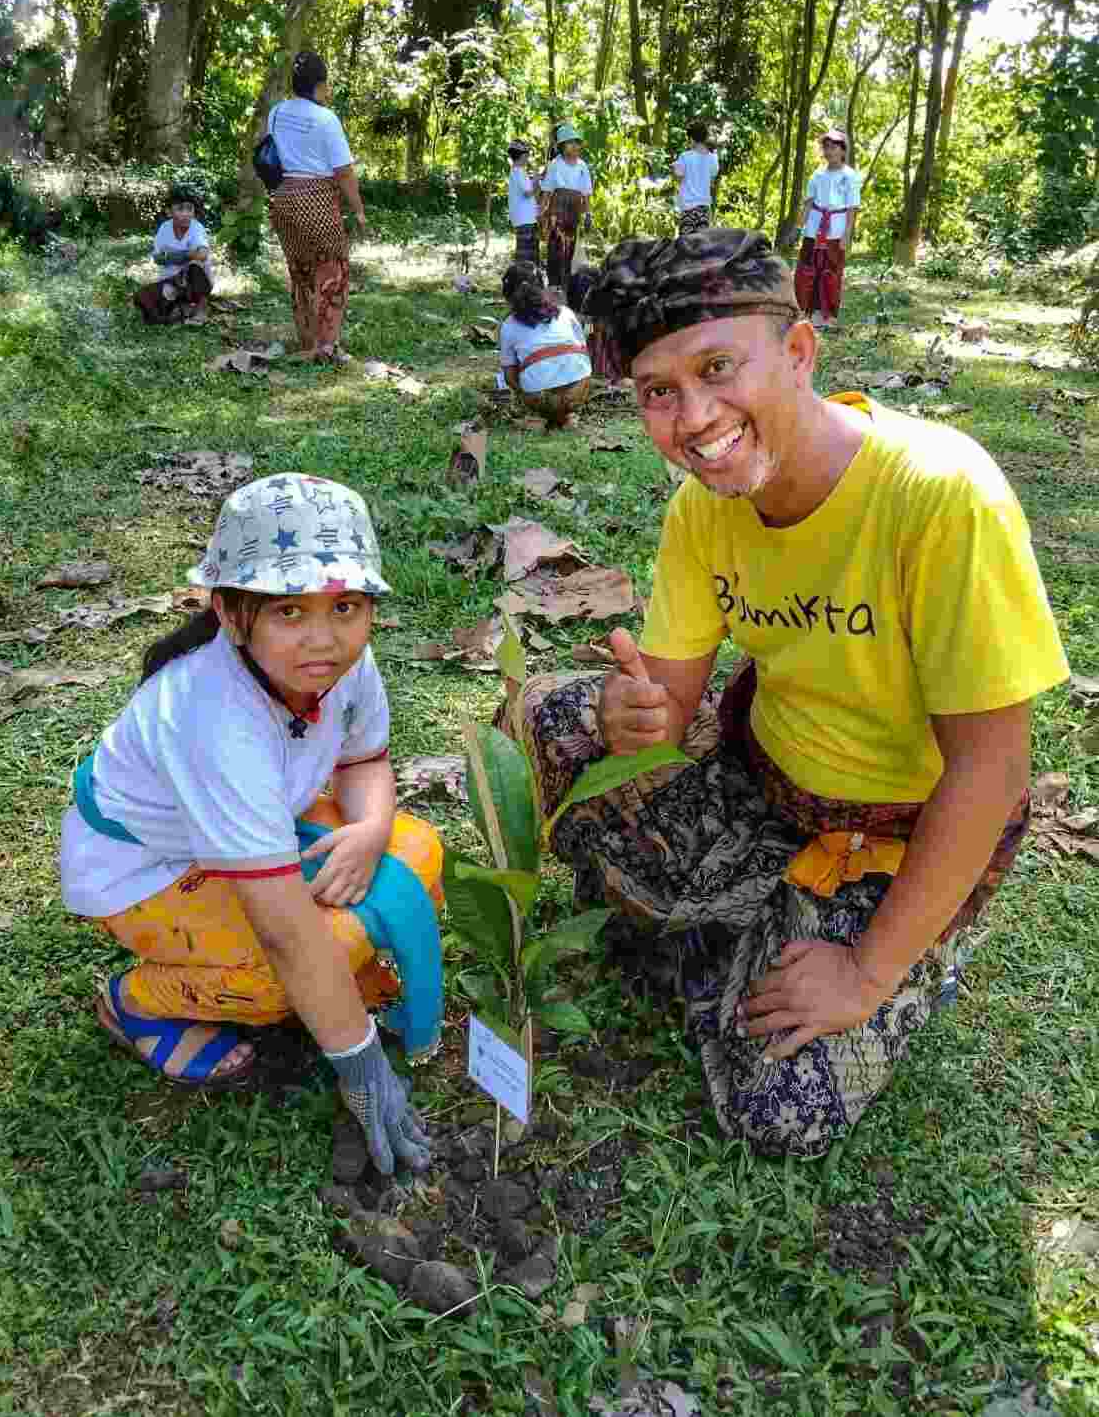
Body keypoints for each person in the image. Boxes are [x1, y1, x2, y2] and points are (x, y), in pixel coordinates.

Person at [497, 227, 1069, 1160]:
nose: (694, 417)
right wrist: (629, 714)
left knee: (782, 1105)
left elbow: (995, 769)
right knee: (554, 721)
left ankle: (904, 946)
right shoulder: (702, 509)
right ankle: (738, 927)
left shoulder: (941, 496)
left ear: (799, 353)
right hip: (760, 789)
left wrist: (865, 969)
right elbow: (665, 713)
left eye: (719, 367)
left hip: (890, 834)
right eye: (658, 392)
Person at [60, 474, 444, 1176]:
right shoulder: (213, 717)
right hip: (152, 870)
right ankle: (137, 1001)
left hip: (259, 829)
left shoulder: (340, 668)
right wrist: (361, 1067)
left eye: (347, 606)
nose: (324, 638)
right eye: (289, 612)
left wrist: (367, 829)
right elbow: (284, 929)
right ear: (232, 615)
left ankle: (332, 984)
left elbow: (366, 761)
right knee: (278, 973)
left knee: (412, 847)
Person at [266, 51, 368, 364]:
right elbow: (344, 172)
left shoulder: (277, 112)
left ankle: (307, 339)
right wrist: (359, 209)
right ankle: (326, 347)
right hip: (316, 198)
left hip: (281, 197)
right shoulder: (325, 118)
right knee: (332, 271)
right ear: (320, 85)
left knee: (300, 270)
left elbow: (269, 152)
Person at [498, 260, 591, 427]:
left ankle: (543, 417)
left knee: (516, 370)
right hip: (578, 391)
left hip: (540, 398)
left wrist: (525, 392)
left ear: (508, 295)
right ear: (543, 288)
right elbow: (582, 350)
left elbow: (509, 376)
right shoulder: (566, 312)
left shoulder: (509, 325)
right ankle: (566, 416)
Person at [796, 128, 860, 329]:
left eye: (833, 147)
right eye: (826, 147)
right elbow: (808, 202)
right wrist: (801, 225)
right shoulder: (818, 174)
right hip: (814, 227)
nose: (829, 151)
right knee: (808, 269)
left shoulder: (850, 176)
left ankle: (827, 315)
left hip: (836, 228)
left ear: (842, 150)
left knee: (831, 271)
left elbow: (852, 207)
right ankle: (804, 310)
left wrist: (846, 234)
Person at [133, 186, 213, 327]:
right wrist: (187, 254)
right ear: (169, 212)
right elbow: (158, 259)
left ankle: (201, 310)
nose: (186, 214)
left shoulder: (196, 228)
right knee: (141, 296)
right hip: (171, 281)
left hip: (192, 281)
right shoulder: (164, 228)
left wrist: (173, 256)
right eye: (180, 209)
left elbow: (202, 254)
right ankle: (180, 311)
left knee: (195, 266)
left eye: (189, 209)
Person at [540, 123, 593, 293]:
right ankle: (554, 284)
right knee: (555, 246)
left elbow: (586, 193)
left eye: (577, 142)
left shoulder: (582, 166)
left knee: (570, 246)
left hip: (574, 210)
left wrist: (588, 214)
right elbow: (547, 191)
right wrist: (541, 213)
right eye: (570, 143)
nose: (575, 146)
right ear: (562, 147)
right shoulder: (555, 164)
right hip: (557, 209)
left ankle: (566, 284)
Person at [672, 121, 720, 234]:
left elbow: (678, 176)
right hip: (704, 208)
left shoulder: (685, 157)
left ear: (691, 139)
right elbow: (712, 178)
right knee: (702, 244)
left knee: (686, 243)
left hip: (688, 208)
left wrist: (673, 169)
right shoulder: (713, 159)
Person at [507, 140, 541, 268]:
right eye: (527, 154)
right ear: (522, 155)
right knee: (525, 256)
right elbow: (528, 193)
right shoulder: (518, 172)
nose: (528, 158)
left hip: (526, 219)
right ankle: (523, 280)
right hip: (524, 220)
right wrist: (537, 180)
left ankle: (528, 280)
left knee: (530, 254)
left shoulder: (519, 172)